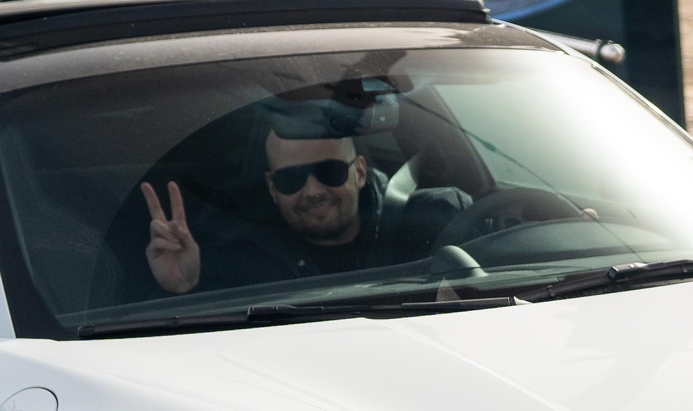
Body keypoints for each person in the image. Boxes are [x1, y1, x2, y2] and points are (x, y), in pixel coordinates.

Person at [140, 104, 468, 296]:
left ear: (360, 172)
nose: (311, 191)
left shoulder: (439, 220)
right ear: (271, 186)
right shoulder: (238, 260)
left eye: (329, 172)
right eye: (290, 179)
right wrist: (186, 287)